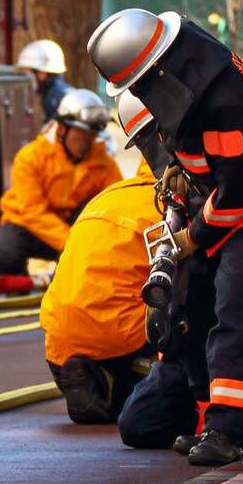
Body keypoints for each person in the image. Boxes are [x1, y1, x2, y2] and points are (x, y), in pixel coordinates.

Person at [89, 8, 243, 466]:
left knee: (235, 296)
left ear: (154, 70)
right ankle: (237, 420)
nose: (137, 96)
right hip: (241, 194)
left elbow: (238, 194)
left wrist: (192, 238)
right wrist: (180, 168)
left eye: (137, 87)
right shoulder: (185, 65)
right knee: (199, 300)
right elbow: (198, 143)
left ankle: (227, 430)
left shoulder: (225, 104)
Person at [113, 93, 243, 459]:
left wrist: (189, 239)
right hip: (192, 343)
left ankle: (234, 418)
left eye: (155, 137)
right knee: (138, 425)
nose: (156, 151)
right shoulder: (172, 189)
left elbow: (214, 293)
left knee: (202, 309)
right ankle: (230, 418)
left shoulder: (225, 183)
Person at [39, 91, 163, 425]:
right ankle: (124, 388)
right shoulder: (170, 210)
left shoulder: (109, 193)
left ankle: (92, 380)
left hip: (58, 342)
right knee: (182, 311)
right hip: (118, 339)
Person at [0, 89, 122, 293]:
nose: (86, 143)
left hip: (71, 230)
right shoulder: (31, 157)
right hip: (30, 226)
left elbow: (115, 207)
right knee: (0, 253)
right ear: (62, 130)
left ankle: (69, 278)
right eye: (81, 135)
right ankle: (18, 279)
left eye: (90, 136)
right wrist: (70, 242)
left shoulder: (104, 164)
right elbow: (31, 211)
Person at [15, 39, 74, 122]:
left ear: (43, 73)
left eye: (31, 72)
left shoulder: (54, 97)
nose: (30, 78)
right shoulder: (57, 92)